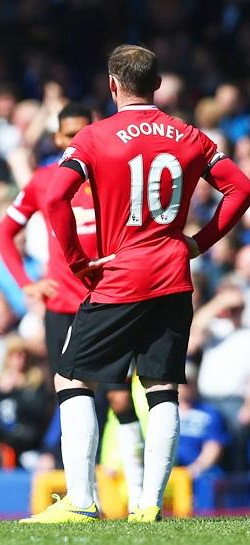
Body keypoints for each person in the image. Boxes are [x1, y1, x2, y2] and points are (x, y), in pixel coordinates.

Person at [23, 44, 250, 523]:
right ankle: (148, 507)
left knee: (71, 378)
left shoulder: (93, 137)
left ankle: (82, 503)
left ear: (112, 84)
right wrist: (198, 243)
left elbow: (56, 196)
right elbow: (241, 188)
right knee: (161, 387)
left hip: (120, 276)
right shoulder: (189, 135)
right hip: (172, 273)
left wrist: (76, 260)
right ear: (158, 85)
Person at [0, 102, 145, 510]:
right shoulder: (45, 181)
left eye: (83, 131)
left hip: (110, 301)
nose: (75, 139)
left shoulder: (114, 177)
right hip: (62, 306)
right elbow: (5, 234)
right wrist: (27, 283)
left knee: (117, 398)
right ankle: (83, 499)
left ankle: (142, 499)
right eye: (68, 133)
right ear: (58, 138)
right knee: (71, 398)